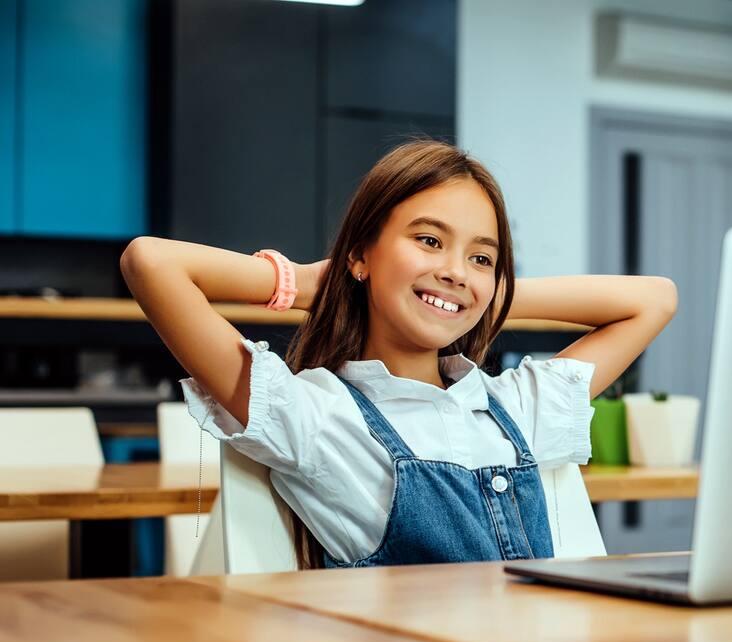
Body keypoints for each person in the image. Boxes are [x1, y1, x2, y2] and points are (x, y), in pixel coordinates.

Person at [121, 139, 676, 569]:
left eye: (483, 257)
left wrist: (476, 295)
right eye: (429, 241)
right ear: (361, 252)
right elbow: (152, 264)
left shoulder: (515, 407)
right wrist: (327, 281)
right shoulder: (315, 417)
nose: (456, 268)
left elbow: (653, 299)